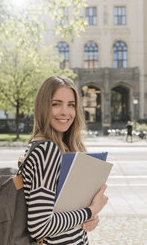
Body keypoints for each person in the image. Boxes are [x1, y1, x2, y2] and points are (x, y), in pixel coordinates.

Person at [22, 76, 108, 244]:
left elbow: (62, 212)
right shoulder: (47, 150)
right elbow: (39, 225)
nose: (65, 112)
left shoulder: (50, 146)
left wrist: (89, 219)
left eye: (71, 105)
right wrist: (90, 211)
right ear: (43, 107)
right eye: (56, 104)